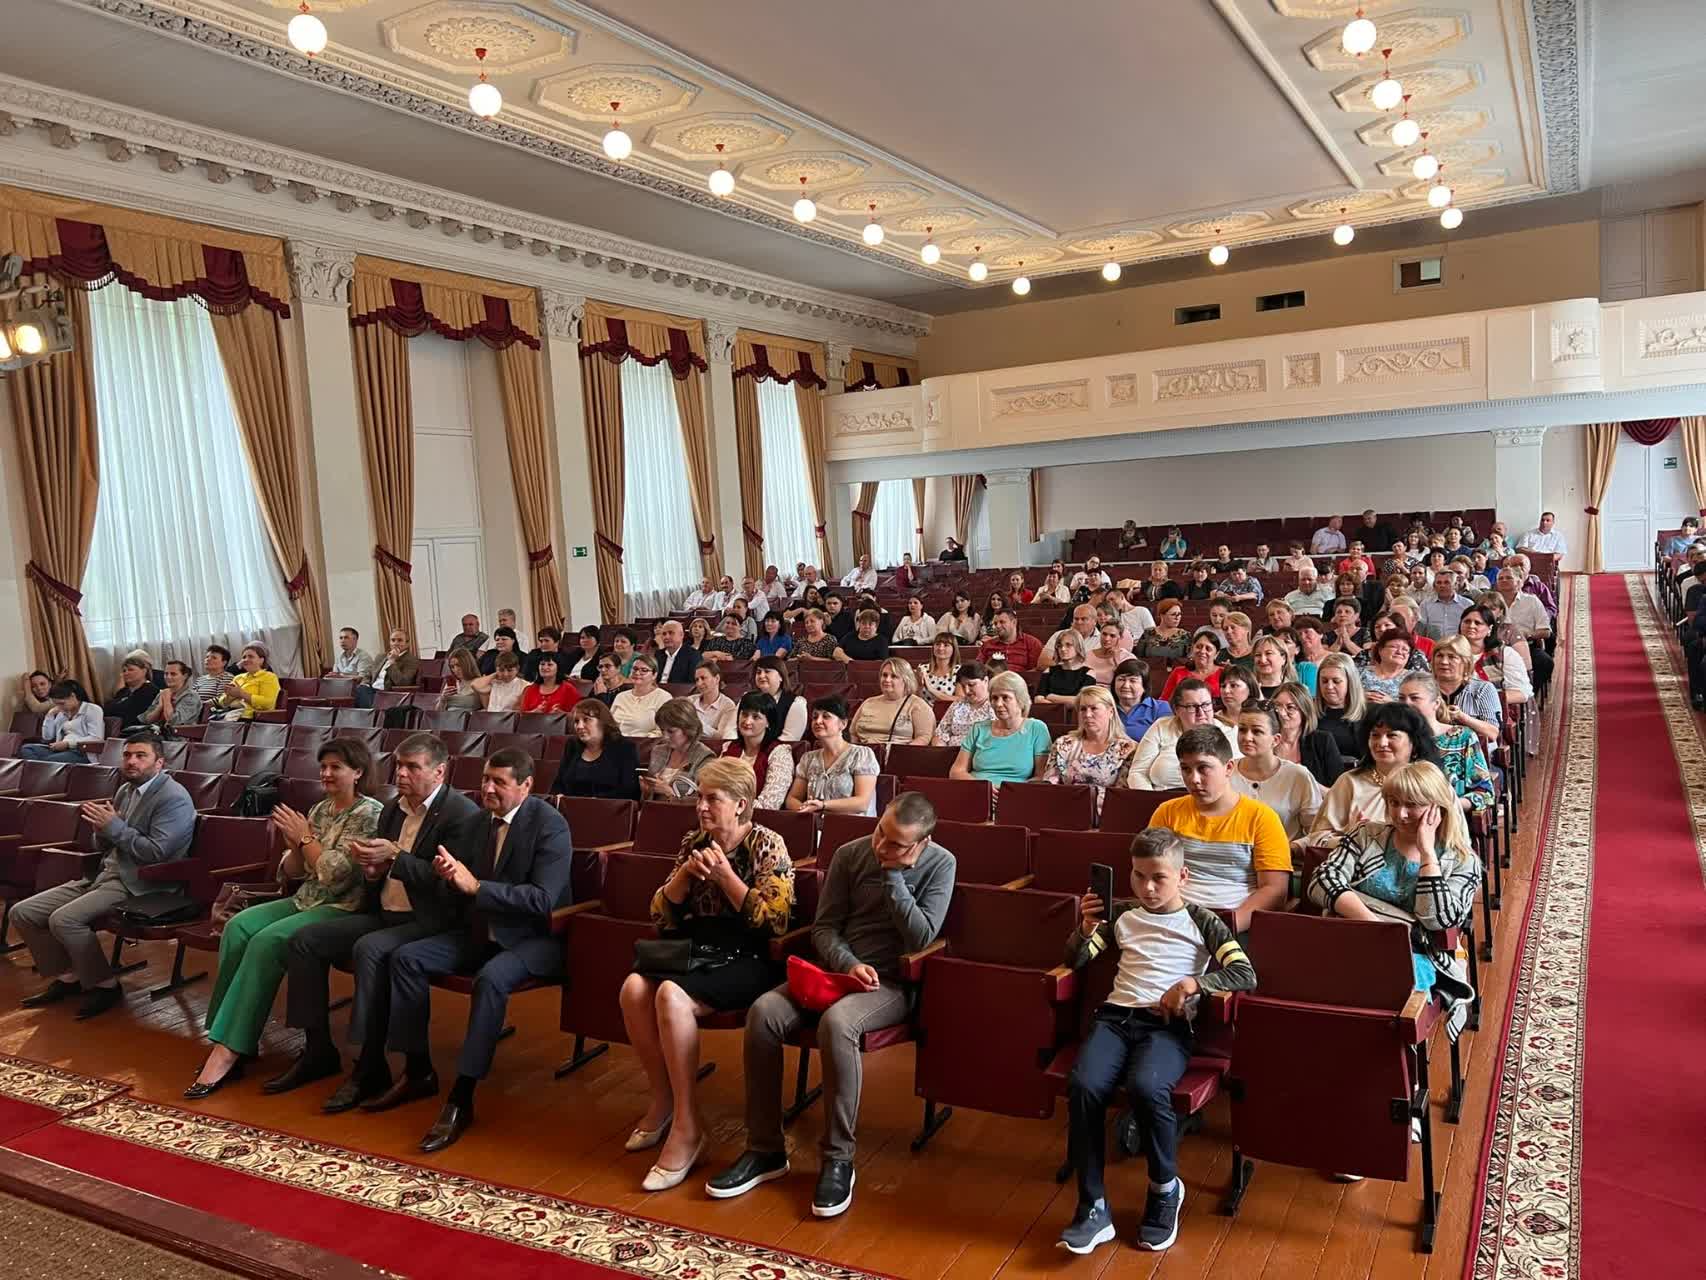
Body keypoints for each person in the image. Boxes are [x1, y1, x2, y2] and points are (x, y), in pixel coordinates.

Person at [708, 793, 954, 1217]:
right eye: (880, 833)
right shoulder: (850, 854)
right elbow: (824, 928)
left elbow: (920, 937)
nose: (881, 847)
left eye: (896, 844)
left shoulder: (941, 864)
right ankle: (765, 1149)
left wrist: (894, 877)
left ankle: (839, 1158)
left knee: (838, 1024)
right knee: (763, 1013)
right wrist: (848, 963)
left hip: (891, 984)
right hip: (836, 972)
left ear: (921, 844)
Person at [1058, 826, 1256, 1255]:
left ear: (1182, 876)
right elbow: (1076, 959)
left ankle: (1165, 1189)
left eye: (1159, 878)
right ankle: (1092, 1206)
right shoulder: (1121, 916)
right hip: (1115, 1018)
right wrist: (1086, 927)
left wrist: (1192, 983)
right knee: (1084, 1086)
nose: (1147, 887)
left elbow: (1244, 973)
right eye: (1138, 876)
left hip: (1166, 1026)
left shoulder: (1203, 920)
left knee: (1148, 1088)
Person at [362, 749, 571, 1152]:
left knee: (490, 979)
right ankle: (418, 1069)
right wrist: (448, 878)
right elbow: (457, 888)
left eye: (499, 782)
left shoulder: (550, 825)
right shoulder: (478, 823)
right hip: (478, 931)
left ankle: (462, 1094)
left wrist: (476, 887)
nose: (487, 788)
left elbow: (543, 900)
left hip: (533, 938)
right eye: (485, 779)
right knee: (406, 958)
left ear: (526, 785)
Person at [275, 734, 486, 1103]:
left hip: (432, 920)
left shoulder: (461, 815)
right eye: (399, 765)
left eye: (412, 767)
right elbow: (381, 871)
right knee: (306, 940)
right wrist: (373, 872)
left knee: (370, 949)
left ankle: (370, 1063)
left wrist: (396, 858)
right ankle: (318, 1049)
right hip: (386, 912)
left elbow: (451, 886)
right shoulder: (392, 809)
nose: (401, 773)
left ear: (439, 772)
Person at [621, 759, 796, 1190]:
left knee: (669, 995)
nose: (701, 806)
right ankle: (664, 1100)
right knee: (633, 988)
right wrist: (685, 874)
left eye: (712, 799)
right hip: (698, 950)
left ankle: (687, 1127)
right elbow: (660, 914)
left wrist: (726, 877)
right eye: (699, 797)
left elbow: (774, 922)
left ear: (740, 804)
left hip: (749, 957)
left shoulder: (767, 844)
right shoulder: (693, 842)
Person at [186, 738, 384, 1098]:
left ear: (358, 772)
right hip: (307, 897)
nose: (326, 773)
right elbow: (293, 872)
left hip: (344, 906)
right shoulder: (321, 809)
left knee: (267, 941)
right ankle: (229, 1036)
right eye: (323, 767)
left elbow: (337, 876)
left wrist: (304, 838)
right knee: (238, 926)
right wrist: (293, 846)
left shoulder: (370, 813)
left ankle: (228, 1050)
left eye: (336, 767)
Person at [15, 732, 196, 1019]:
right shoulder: (125, 790)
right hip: (105, 874)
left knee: (64, 919)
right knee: (23, 912)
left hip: (141, 882)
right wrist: (101, 831)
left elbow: (157, 853)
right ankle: (69, 976)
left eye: (141, 756)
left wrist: (114, 828)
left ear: (159, 762)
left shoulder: (173, 798)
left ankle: (106, 985)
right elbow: (106, 843)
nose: (131, 761)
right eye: (127, 755)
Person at [1307, 762, 1481, 1029]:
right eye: (1393, 802)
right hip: (1349, 936)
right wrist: (1375, 926)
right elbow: (1321, 881)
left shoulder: (1461, 861)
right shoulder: (1367, 835)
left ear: (1438, 808)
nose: (1400, 814)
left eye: (1412, 805)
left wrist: (1428, 855)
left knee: (1375, 998)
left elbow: (1438, 920)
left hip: (1414, 953)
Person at [1146, 727, 1290, 931]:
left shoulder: (1262, 818)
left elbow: (1274, 889)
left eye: (1203, 768)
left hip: (1234, 923)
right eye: (1186, 769)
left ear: (1228, 768)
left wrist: (1225, 928)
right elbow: (1149, 872)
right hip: (1174, 919)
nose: (1194, 779)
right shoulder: (1167, 812)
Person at [1309, 703, 1444, 840]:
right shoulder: (1350, 782)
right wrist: (1352, 837)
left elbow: (1452, 839)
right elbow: (1316, 838)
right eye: (1375, 735)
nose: (1382, 743)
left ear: (1414, 742)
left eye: (1391, 735)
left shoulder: (1432, 784)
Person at [1397, 674, 1494, 815]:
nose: (1406, 704)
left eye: (1414, 698)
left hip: (1449, 815)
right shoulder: (1392, 739)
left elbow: (1484, 793)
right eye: (1401, 698)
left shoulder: (1462, 737)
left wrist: (1448, 805)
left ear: (1436, 703)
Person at [1126, 680, 1240, 791]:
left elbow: (1235, 778)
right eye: (1191, 707)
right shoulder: (1161, 726)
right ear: (1177, 709)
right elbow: (1138, 772)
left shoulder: (1229, 733)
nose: (1201, 713)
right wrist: (1152, 800)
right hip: (1161, 799)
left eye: (1206, 705)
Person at [1229, 707, 1320, 843]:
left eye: (1257, 731)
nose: (1247, 737)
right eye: (1242, 730)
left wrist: (1295, 847)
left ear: (1276, 740)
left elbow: (1316, 830)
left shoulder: (1298, 775)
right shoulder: (1225, 771)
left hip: (1285, 853)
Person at [1042, 686, 1136, 818]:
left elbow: (1121, 796)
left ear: (1110, 712)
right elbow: (1049, 785)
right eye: (1083, 709)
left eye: (1094, 708)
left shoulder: (1126, 748)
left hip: (1106, 816)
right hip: (1063, 811)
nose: (1087, 715)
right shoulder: (1063, 744)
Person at [951, 671, 1050, 789]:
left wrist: (1007, 791)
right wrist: (984, 788)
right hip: (977, 791)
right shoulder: (978, 728)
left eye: (1005, 697)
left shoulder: (1037, 728)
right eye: (994, 698)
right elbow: (957, 771)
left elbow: (1042, 777)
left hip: (1015, 794)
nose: (998, 704)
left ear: (1020, 699)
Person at [787, 697, 880, 816]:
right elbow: (792, 799)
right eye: (815, 717)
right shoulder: (808, 758)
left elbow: (862, 803)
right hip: (814, 823)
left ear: (843, 724)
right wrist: (806, 810)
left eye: (826, 716)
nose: (818, 721)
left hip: (853, 824)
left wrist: (823, 805)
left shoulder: (861, 755)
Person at [551, 700, 642, 799]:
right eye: (576, 721)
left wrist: (596, 801)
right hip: (569, 806)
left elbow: (629, 791)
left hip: (609, 807)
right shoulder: (572, 745)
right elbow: (558, 784)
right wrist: (558, 795)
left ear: (602, 722)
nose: (579, 726)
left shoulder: (625, 748)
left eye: (586, 720)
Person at [721, 692, 795, 810]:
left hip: (760, 817)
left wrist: (729, 806)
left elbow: (769, 805)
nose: (747, 721)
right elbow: (714, 785)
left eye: (755, 717)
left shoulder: (780, 753)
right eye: (744, 714)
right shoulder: (729, 747)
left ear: (768, 722)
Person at [1268, 681, 1345, 787]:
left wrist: (1310, 785)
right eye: (1277, 706)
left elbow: (1340, 792)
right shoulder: (1266, 740)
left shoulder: (1322, 741)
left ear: (1304, 711)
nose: (1282, 713)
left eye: (1290, 707)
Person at [1430, 636, 1502, 747]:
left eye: (1451, 657)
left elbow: (1492, 733)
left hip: (1475, 754)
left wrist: (1461, 717)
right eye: (1439, 656)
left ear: (1466, 662)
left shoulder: (1482, 689)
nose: (1444, 662)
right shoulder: (1424, 689)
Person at [642, 699, 717, 801]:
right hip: (652, 808)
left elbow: (703, 800)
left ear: (688, 728)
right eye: (662, 730)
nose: (665, 736)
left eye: (671, 731)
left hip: (684, 811)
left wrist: (670, 793)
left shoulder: (705, 757)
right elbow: (647, 798)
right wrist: (646, 790)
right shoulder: (658, 751)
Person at [850, 659, 936, 747]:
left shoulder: (918, 705)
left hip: (897, 753)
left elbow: (924, 737)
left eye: (894, 676)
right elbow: (853, 733)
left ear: (906, 680)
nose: (887, 679)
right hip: (862, 752)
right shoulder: (868, 702)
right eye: (884, 675)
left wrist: (901, 752)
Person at [1459, 607, 1532, 704]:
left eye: (1478, 623)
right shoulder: (1450, 653)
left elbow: (1521, 693)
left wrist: (1479, 701)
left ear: (1490, 629)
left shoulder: (1505, 654)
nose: (1471, 626)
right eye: (1467, 622)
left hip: (1496, 709)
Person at [22, 680, 104, 762]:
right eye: (56, 704)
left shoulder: (92, 709)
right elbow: (47, 737)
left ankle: (42, 766)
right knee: (27, 749)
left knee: (49, 761)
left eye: (62, 703)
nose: (59, 707)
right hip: (61, 750)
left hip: (81, 751)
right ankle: (42, 766)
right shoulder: (62, 713)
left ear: (73, 696)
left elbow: (96, 738)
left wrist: (68, 744)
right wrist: (49, 715)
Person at [1313, 652, 1365, 759]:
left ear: (1350, 682)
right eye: (1324, 681)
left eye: (1336, 681)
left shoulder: (1369, 714)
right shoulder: (1308, 713)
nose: (1329, 686)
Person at [932, 662, 995, 748]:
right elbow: (940, 734)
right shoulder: (957, 705)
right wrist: (939, 747)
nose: (967, 691)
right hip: (950, 753)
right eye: (963, 686)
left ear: (986, 681)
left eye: (971, 685)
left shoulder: (995, 705)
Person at [213, 643, 280, 721]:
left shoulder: (269, 677)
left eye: (250, 656)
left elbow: (268, 703)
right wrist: (230, 695)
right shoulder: (238, 677)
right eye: (244, 657)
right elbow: (221, 702)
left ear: (261, 660)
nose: (246, 659)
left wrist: (242, 694)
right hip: (228, 713)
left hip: (249, 717)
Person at [354, 629, 419, 707]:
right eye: (393, 640)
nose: (395, 643)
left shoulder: (411, 660)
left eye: (400, 640)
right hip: (371, 690)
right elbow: (368, 675)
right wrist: (365, 683)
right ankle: (372, 711)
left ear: (407, 644)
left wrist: (392, 662)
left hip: (388, 693)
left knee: (362, 694)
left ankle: (372, 712)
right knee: (359, 689)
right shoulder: (381, 657)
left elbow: (403, 682)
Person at [612, 653, 671, 737]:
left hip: (646, 742)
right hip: (617, 740)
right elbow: (609, 725)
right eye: (635, 669)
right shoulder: (621, 696)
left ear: (654, 675)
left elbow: (662, 731)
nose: (637, 673)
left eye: (644, 670)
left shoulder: (663, 697)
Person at [752, 658, 808, 742]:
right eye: (758, 672)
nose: (761, 676)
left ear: (781, 677)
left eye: (767, 671)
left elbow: (789, 738)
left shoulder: (796, 703)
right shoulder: (747, 698)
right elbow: (734, 730)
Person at [1112, 659, 1169, 741]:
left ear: (1145, 686)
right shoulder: (1105, 706)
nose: (1126, 685)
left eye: (1133, 681)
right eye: (1121, 679)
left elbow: (1166, 741)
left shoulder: (1160, 708)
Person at [141, 660, 204, 731]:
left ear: (185, 676)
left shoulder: (191, 696)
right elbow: (146, 720)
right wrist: (159, 707)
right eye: (166, 674)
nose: (168, 677)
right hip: (155, 732)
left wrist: (166, 700)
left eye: (173, 674)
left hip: (179, 735)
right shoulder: (163, 693)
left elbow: (174, 722)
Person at [1161, 630, 1223, 701]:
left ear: (1216, 654)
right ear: (1192, 649)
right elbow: (1164, 701)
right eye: (1199, 647)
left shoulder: (1224, 673)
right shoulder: (1178, 672)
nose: (1202, 651)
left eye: (1208, 649)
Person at [1038, 631, 1096, 704]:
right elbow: (1038, 699)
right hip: (1050, 711)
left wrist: (1050, 696)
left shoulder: (1089, 673)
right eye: (1059, 646)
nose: (1063, 649)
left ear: (1078, 647)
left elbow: (1082, 701)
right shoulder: (1049, 670)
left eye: (1068, 645)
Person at [1359, 629, 1416, 703]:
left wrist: (1391, 703)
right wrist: (1359, 699)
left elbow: (1417, 707)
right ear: (1380, 650)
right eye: (1394, 647)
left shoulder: (1414, 679)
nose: (1399, 652)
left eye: (1405, 649)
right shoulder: (1360, 672)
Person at [978, 607, 1043, 671]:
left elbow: (1035, 670)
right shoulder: (987, 645)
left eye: (1002, 622)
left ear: (1014, 622)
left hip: (1021, 677)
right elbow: (978, 668)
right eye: (995, 623)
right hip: (994, 677)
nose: (997, 626)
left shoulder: (1032, 643)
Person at [106, 656, 159, 730]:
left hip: (138, 730)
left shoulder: (150, 690)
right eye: (124, 671)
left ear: (144, 671)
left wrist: (116, 708)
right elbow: (107, 709)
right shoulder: (123, 691)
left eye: (131, 669)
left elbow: (130, 713)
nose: (126, 673)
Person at [1418, 569, 1473, 640]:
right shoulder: (1426, 604)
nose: (1442, 585)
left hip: (1459, 644)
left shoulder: (1467, 605)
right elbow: (1421, 630)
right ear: (1434, 586)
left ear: (1455, 584)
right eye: (1439, 583)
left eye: (1447, 582)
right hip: (1434, 644)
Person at [688, 661, 737, 740]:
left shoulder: (728, 706)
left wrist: (695, 723)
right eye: (697, 680)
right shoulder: (689, 701)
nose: (699, 684)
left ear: (717, 678)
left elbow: (722, 736)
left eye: (703, 678)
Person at [1085, 620, 1135, 685]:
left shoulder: (1127, 657)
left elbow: (1129, 680)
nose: (1107, 639)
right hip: (1087, 689)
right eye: (1104, 634)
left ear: (1120, 637)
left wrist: (1116, 658)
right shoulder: (1088, 655)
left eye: (1112, 636)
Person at [917, 633, 962, 701]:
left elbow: (959, 699)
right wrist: (920, 686)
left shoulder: (959, 670)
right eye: (937, 644)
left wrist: (930, 689)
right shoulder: (923, 668)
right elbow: (915, 697)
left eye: (946, 645)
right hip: (923, 707)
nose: (940, 648)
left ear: (954, 649)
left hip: (948, 707)